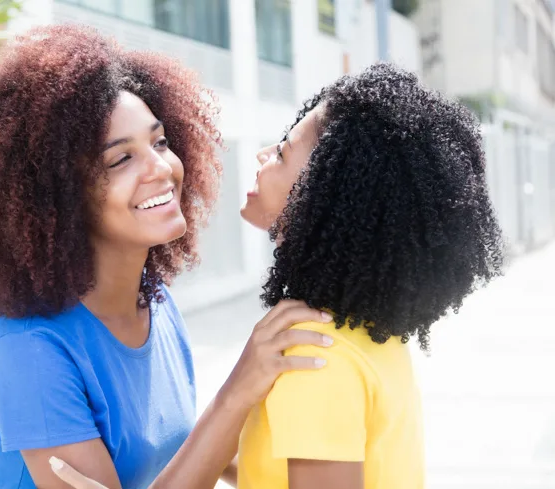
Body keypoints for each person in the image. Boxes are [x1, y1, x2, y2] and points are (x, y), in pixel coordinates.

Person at [52, 64, 504, 489]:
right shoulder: (363, 331)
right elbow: (274, 463)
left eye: (284, 151)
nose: (265, 154)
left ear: (322, 197)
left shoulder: (312, 356)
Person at [0, 25, 334, 489]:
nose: (160, 169)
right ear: (58, 199)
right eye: (119, 160)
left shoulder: (155, 303)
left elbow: (180, 452)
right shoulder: (29, 349)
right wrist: (238, 388)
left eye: (160, 142)